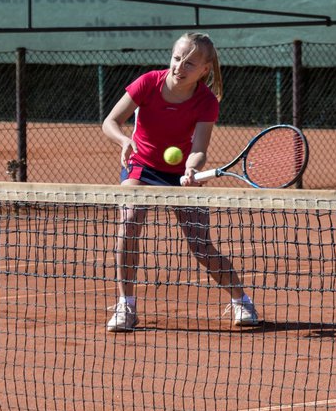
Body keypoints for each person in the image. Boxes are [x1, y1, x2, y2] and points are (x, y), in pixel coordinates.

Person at [100, 32, 259, 333]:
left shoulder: (206, 101)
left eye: (190, 63)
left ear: (205, 70)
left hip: (181, 175)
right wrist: (123, 141)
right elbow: (110, 121)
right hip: (141, 166)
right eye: (177, 58)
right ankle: (126, 305)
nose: (180, 66)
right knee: (129, 222)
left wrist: (190, 169)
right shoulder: (148, 83)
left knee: (201, 246)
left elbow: (199, 148)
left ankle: (241, 300)